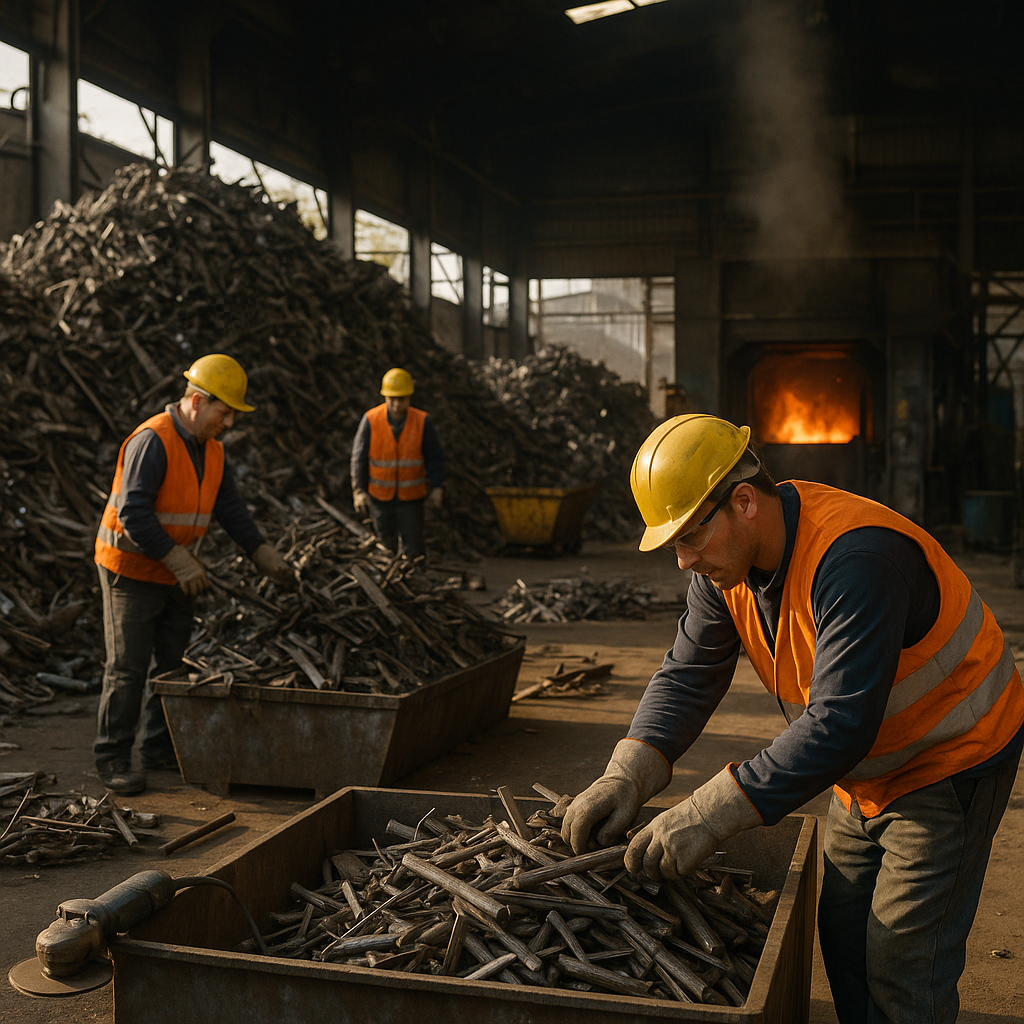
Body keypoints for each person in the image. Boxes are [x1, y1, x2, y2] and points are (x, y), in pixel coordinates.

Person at [561, 413, 1024, 1024]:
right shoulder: (726, 568)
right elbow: (689, 672)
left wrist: (705, 815)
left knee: (903, 960)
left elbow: (839, 722)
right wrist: (627, 774)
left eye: (689, 537)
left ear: (744, 502)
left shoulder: (857, 559)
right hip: (863, 770)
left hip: (949, 759)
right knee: (843, 931)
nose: (682, 560)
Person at [92, 353, 294, 795]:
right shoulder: (153, 440)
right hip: (130, 571)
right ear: (198, 402)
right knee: (127, 667)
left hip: (177, 575)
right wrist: (179, 559)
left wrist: (261, 551)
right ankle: (112, 756)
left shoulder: (213, 450)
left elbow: (231, 510)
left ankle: (161, 749)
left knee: (173, 665)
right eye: (225, 413)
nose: (229, 424)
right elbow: (133, 511)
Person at [350, 367, 445, 559]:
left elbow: (435, 457)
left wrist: (437, 487)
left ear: (409, 398)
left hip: (411, 498)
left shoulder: (422, 422)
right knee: (385, 546)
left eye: (401, 399)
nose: (396, 404)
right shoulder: (371, 420)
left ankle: (415, 579)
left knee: (413, 547)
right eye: (392, 399)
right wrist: (359, 490)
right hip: (380, 497)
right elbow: (358, 458)